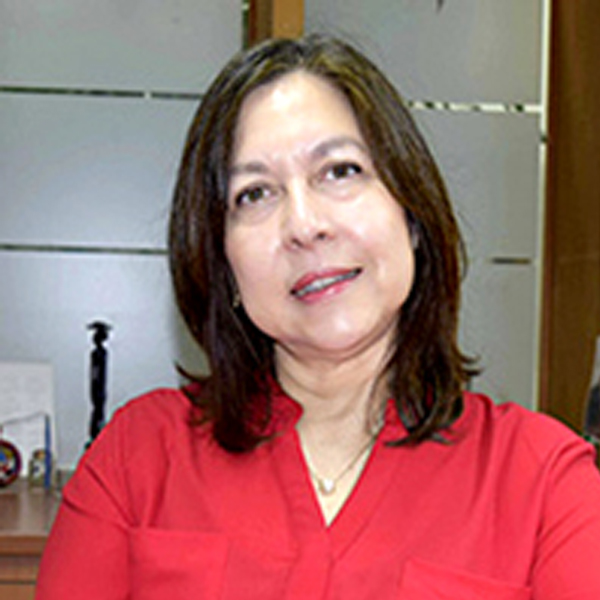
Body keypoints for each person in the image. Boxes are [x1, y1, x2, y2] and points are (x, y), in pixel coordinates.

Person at [36, 34, 600, 599]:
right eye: (255, 194)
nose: (305, 226)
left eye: (340, 171)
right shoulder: (137, 459)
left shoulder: (545, 481)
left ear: (411, 214)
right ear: (223, 263)